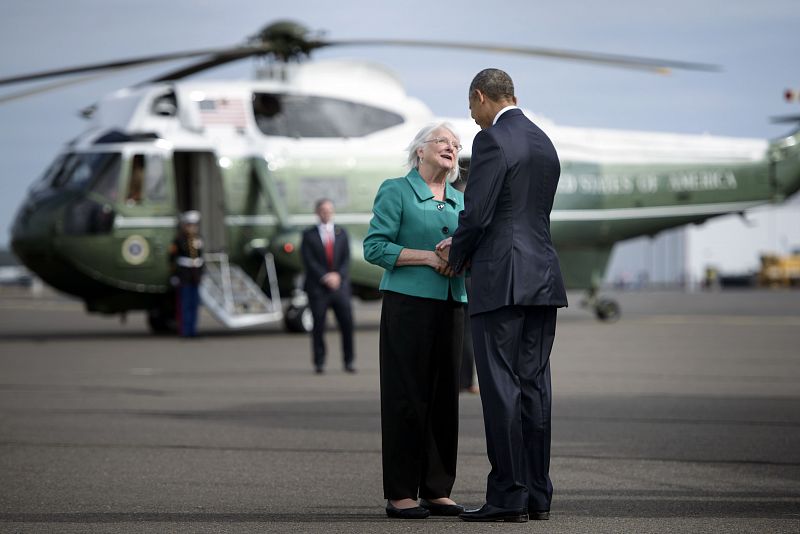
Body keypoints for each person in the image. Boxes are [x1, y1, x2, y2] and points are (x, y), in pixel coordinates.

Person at [437, 69, 568, 523]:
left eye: (471, 107)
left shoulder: (492, 141)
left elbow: (478, 213)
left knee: (501, 388)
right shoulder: (543, 141)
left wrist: (457, 252)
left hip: (502, 279)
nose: (472, 117)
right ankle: (537, 493)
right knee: (535, 387)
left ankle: (508, 495)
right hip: (543, 278)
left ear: (481, 97)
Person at [363, 122, 468, 520]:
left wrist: (460, 255)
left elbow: (472, 246)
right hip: (408, 304)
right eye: (443, 141)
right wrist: (428, 256)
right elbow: (374, 247)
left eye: (456, 144)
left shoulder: (461, 200)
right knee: (406, 396)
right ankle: (402, 492)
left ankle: (438, 489)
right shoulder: (396, 190)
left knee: (445, 399)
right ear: (419, 151)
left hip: (452, 302)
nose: (451, 147)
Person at [300, 199, 355, 374]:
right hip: (318, 288)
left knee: (347, 325)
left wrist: (338, 275)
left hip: (340, 287)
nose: (327, 213)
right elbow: (308, 260)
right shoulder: (308, 235)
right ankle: (319, 362)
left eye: (329, 209)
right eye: (323, 210)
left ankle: (349, 361)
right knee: (318, 326)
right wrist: (325, 276)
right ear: (317, 212)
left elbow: (346, 259)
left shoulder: (342, 233)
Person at [169, 210, 205, 338]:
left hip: (195, 276)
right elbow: (172, 258)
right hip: (184, 276)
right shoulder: (179, 240)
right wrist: (174, 275)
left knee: (194, 305)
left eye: (194, 225)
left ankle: (193, 330)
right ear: (185, 226)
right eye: (190, 225)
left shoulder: (198, 239)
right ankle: (185, 331)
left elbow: (200, 259)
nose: (192, 228)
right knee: (185, 305)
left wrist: (201, 274)